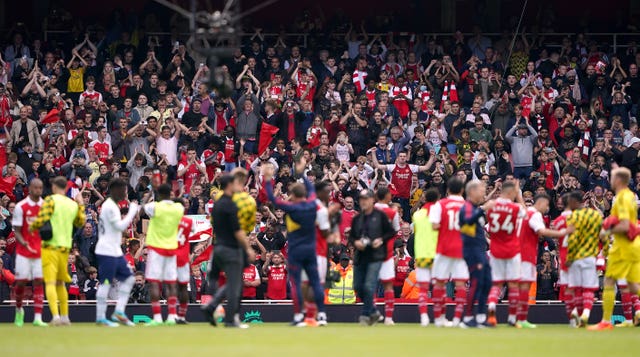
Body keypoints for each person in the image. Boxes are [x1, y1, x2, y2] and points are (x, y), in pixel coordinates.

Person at [264, 158, 328, 327]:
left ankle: (299, 317)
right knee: (315, 282)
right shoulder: (313, 204)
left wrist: (267, 179)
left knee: (297, 283)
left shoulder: (291, 208)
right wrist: (302, 174)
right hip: (311, 249)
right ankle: (322, 315)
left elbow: (272, 199)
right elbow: (312, 190)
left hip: (295, 251)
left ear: (293, 195)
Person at [29, 176, 86, 326]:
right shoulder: (72, 204)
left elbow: (41, 220)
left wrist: (32, 227)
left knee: (50, 282)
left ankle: (55, 316)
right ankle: (65, 316)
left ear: (54, 187)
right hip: (65, 248)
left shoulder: (50, 200)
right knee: (61, 283)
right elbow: (81, 221)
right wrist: (80, 204)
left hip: (49, 247)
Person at [589, 167, 640, 330]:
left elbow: (624, 225)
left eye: (612, 177)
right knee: (632, 284)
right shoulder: (629, 196)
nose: (610, 180)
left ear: (618, 180)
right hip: (631, 245)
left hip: (622, 245)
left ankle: (605, 321)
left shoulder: (622, 198)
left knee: (610, 279)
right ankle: (634, 315)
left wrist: (607, 230)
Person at [202, 174, 254, 328]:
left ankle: (212, 306)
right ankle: (230, 320)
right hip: (231, 248)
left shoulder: (217, 203)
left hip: (218, 246)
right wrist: (248, 248)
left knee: (231, 282)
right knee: (234, 285)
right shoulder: (230, 204)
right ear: (230, 185)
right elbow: (237, 230)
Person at [516, 193, 567, 328]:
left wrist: (518, 194)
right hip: (526, 255)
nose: (547, 208)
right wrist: (561, 233)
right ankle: (520, 318)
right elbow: (542, 231)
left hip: (519, 254)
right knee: (524, 287)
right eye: (547, 204)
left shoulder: (526, 212)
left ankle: (517, 317)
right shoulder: (535, 214)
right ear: (542, 202)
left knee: (520, 286)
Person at [94, 178, 139, 327]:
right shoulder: (109, 207)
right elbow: (120, 227)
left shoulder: (112, 205)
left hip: (114, 250)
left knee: (129, 279)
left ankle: (119, 311)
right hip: (107, 250)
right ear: (116, 190)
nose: (125, 193)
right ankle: (100, 317)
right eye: (124, 190)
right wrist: (132, 211)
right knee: (105, 283)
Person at [349, 188, 397, 325]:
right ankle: (374, 311)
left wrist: (381, 240)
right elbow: (352, 236)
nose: (363, 202)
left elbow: (391, 232)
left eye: (366, 199)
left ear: (372, 200)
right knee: (358, 286)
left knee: (370, 285)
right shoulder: (357, 218)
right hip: (360, 255)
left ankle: (365, 315)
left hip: (376, 255)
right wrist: (355, 242)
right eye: (361, 200)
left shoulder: (380, 216)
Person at [428, 178, 468, 327]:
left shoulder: (440, 204)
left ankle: (439, 318)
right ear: (462, 191)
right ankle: (457, 319)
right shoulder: (466, 205)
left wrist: (445, 227)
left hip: (443, 248)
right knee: (460, 284)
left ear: (448, 190)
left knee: (439, 283)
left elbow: (433, 226)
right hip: (461, 249)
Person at [143, 183, 184, 326]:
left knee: (154, 282)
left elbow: (143, 206)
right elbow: (178, 202)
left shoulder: (154, 206)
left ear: (159, 195)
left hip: (156, 249)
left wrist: (150, 193)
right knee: (171, 283)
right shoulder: (178, 208)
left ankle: (157, 317)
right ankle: (172, 315)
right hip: (171, 249)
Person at [485, 180, 525, 327]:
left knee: (497, 284)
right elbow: (526, 214)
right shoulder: (515, 207)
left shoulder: (491, 206)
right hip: (512, 249)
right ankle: (512, 318)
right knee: (513, 284)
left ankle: (491, 309)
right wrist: (519, 196)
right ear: (510, 192)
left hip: (495, 250)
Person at [458, 180, 495, 328]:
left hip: (480, 250)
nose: (484, 193)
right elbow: (466, 222)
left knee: (487, 281)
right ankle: (467, 318)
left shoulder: (473, 208)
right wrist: (483, 209)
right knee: (476, 282)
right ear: (472, 192)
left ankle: (480, 317)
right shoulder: (467, 207)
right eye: (481, 190)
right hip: (472, 250)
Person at [11, 178, 47, 327]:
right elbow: (17, 231)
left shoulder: (45, 206)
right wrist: (24, 242)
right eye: (35, 187)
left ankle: (38, 317)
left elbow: (48, 228)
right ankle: (19, 309)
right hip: (23, 251)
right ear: (30, 189)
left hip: (40, 250)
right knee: (21, 283)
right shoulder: (21, 207)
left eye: (40, 188)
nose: (38, 190)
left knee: (38, 281)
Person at [411, 188, 440, 326]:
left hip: (422, 254)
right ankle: (439, 317)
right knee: (439, 287)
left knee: (423, 287)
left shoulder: (417, 215)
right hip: (436, 253)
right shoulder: (440, 213)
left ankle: (424, 317)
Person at [373, 187, 401, 325]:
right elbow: (396, 231)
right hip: (387, 253)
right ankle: (389, 318)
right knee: (388, 285)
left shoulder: (369, 210)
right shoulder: (392, 212)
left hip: (371, 253)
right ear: (387, 197)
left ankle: (371, 314)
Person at [175, 213, 196, 324]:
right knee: (184, 287)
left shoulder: (168, 220)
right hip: (183, 257)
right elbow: (193, 231)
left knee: (171, 285)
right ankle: (182, 316)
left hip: (170, 256)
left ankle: (171, 315)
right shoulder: (188, 221)